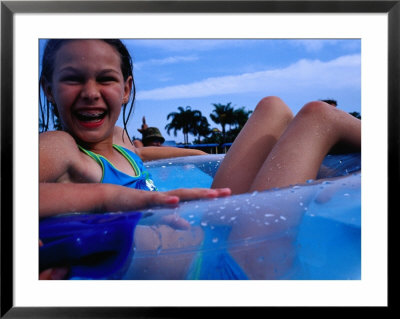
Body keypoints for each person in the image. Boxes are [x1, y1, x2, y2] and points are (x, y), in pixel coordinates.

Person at [39, 39, 361, 279]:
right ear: (49, 90)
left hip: (215, 231)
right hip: (226, 269)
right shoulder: (61, 147)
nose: (91, 92)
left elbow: (143, 152)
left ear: (125, 89)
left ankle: (322, 173)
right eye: (73, 78)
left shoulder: (121, 144)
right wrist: (111, 197)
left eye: (105, 79)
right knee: (317, 117)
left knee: (272, 107)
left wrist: (199, 155)